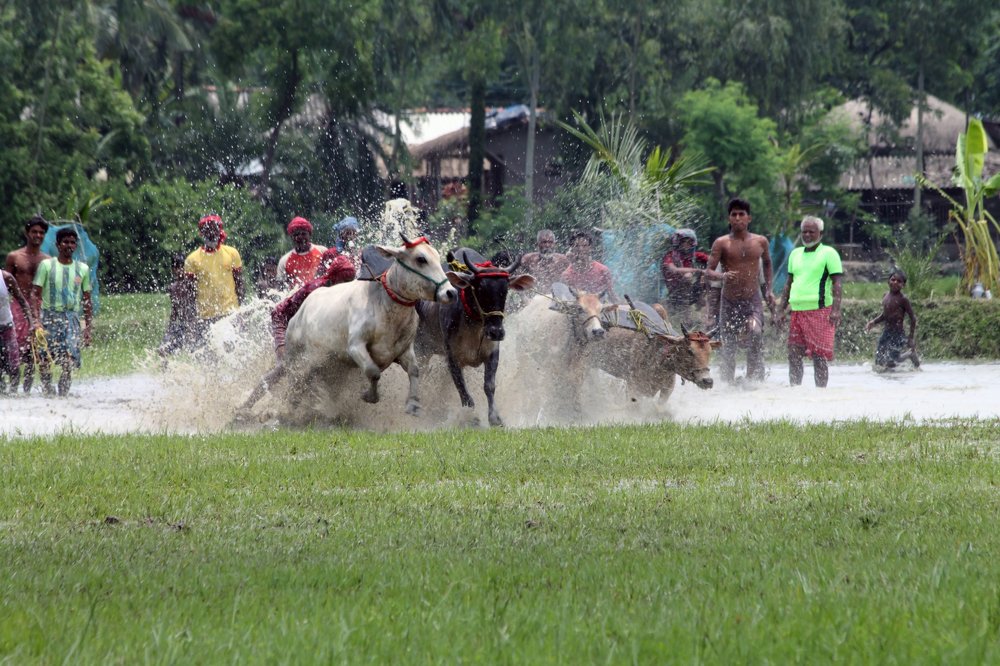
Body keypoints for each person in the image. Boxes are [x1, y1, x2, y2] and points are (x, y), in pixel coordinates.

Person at [237, 248, 356, 412]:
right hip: (283, 322)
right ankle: (246, 407)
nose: (347, 286)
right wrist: (281, 345)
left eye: (350, 281)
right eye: (344, 281)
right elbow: (279, 313)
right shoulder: (315, 289)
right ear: (335, 279)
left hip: (304, 330)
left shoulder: (341, 294)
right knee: (283, 367)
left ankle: (296, 410)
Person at [705, 198, 775, 383]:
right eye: (733, 215)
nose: (737, 218)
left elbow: (767, 263)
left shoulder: (761, 242)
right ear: (729, 219)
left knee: (755, 333)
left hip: (752, 300)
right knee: (728, 348)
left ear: (749, 218)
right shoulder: (721, 243)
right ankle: (727, 387)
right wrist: (723, 276)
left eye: (741, 214)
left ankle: (754, 381)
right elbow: (708, 272)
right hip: (728, 301)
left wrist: (769, 290)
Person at [778, 215, 843, 387]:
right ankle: (795, 390)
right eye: (804, 231)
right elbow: (788, 284)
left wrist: (836, 310)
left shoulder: (829, 253)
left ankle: (820, 394)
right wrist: (780, 310)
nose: (807, 235)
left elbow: (837, 283)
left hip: (820, 311)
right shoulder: (795, 254)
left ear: (820, 233)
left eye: (811, 232)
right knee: (793, 353)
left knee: (819, 356)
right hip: (797, 311)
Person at [30, 228, 93, 396]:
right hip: (48, 316)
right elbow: (35, 294)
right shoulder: (47, 265)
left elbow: (87, 300)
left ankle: (63, 396)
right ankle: (48, 390)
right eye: (65, 242)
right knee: (45, 358)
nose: (69, 245)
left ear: (76, 245)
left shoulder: (83, 269)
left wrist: (88, 327)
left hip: (71, 318)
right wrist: (36, 320)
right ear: (58, 245)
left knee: (70, 359)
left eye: (73, 242)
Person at [4, 215, 50, 392]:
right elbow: (5, 284)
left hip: (39, 306)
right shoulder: (14, 257)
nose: (37, 235)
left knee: (35, 351)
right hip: (17, 307)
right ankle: (13, 386)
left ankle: (28, 390)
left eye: (41, 232)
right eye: (34, 232)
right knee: (15, 348)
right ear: (27, 233)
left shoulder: (47, 260)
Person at [184, 214, 245, 345]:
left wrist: (239, 310)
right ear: (202, 233)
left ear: (220, 231)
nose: (211, 232)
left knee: (231, 349)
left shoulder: (232, 253)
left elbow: (240, 283)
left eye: (214, 229)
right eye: (207, 229)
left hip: (230, 314)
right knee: (209, 357)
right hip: (205, 317)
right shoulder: (192, 259)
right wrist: (191, 320)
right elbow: (189, 293)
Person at [865, 270, 919, 370]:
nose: (895, 282)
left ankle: (910, 354)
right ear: (888, 281)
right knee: (879, 362)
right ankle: (886, 378)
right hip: (886, 333)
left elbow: (913, 318)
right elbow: (885, 315)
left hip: (897, 334)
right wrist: (874, 322)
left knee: (892, 361)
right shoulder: (885, 296)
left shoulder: (903, 299)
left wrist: (911, 337)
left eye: (899, 281)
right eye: (893, 279)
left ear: (903, 285)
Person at [661, 228, 709, 329]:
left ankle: (703, 303)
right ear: (678, 243)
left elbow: (714, 261)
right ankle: (687, 317)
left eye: (689, 242)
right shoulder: (670, 256)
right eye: (683, 242)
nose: (686, 245)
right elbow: (673, 269)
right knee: (688, 276)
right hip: (675, 294)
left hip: (692, 292)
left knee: (710, 274)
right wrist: (697, 270)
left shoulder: (695, 256)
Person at [1, 269, 35, 393]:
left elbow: (22, 300)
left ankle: (14, 395)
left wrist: (31, 323)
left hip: (6, 327)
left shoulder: (5, 278)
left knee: (14, 366)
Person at [560, 230, 616, 300]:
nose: (581, 249)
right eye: (577, 246)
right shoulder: (566, 276)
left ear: (590, 247)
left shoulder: (603, 271)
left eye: (584, 246)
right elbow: (565, 301)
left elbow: (612, 296)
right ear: (571, 248)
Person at [158, 254, 196, 358]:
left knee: (195, 352)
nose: (179, 270)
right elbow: (175, 310)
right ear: (172, 270)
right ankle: (165, 371)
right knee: (163, 349)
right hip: (180, 325)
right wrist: (170, 328)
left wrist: (192, 327)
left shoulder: (192, 285)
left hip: (194, 325)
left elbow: (196, 306)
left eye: (182, 267)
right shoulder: (173, 288)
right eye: (176, 267)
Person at [277, 216, 326, 288]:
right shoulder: (284, 260)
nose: (300, 237)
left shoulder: (322, 251)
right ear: (292, 238)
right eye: (296, 234)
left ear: (310, 235)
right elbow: (280, 287)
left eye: (303, 234)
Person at [521, 229, 569, 293]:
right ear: (537, 244)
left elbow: (568, 282)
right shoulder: (528, 260)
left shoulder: (562, 260)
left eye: (550, 242)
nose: (547, 245)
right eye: (544, 242)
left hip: (557, 298)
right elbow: (520, 282)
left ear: (555, 244)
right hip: (535, 297)